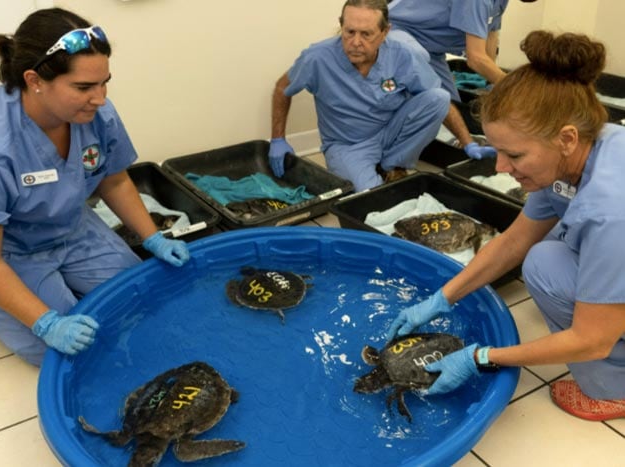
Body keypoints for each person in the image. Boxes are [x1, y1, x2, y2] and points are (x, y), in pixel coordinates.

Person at [0, 8, 190, 366]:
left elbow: (113, 179)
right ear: (34, 80)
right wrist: (48, 323)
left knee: (139, 304)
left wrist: (152, 237)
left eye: (104, 82)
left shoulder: (96, 113)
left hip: (64, 223)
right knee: (67, 352)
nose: (100, 97)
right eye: (83, 87)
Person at [385, 30, 625, 421]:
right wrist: (441, 298)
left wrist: (481, 357)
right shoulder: (580, 150)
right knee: (543, 258)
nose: (500, 168)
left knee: (563, 290)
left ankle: (616, 391)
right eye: (498, 151)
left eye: (514, 155)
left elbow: (590, 340)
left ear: (566, 138)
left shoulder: (614, 210)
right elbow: (514, 240)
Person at [268, 0, 450, 193]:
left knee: (440, 98)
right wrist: (277, 139)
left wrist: (467, 143)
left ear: (385, 32)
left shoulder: (400, 54)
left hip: (389, 132)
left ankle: (393, 163)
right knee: (370, 196)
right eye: (349, 32)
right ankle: (373, 170)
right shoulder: (317, 58)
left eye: (366, 34)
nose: (356, 42)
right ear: (341, 26)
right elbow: (282, 88)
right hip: (348, 145)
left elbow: (435, 98)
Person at [387, 0, 538, 161]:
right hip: (398, 34)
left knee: (454, 112)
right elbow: (475, 59)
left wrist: (493, 83)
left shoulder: (500, 2)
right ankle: (393, 163)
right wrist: (518, 88)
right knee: (435, 101)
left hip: (431, 49)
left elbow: (490, 35)